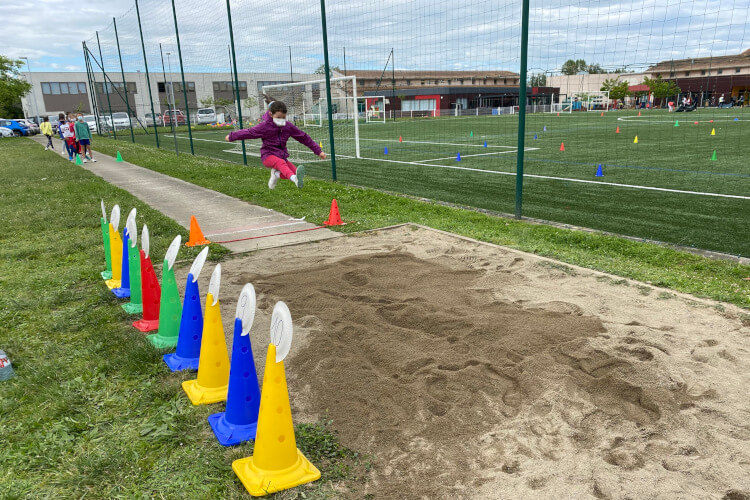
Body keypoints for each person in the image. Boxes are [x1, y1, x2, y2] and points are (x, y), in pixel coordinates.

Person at [224, 101, 326, 189]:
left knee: (293, 171)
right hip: (268, 155)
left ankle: (276, 174)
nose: (281, 119)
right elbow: (249, 132)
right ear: (271, 114)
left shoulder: (288, 126)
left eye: (283, 117)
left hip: (281, 155)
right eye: (278, 117)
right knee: (281, 163)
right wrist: (232, 136)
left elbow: (303, 137)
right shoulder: (265, 126)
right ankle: (294, 179)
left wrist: (318, 151)